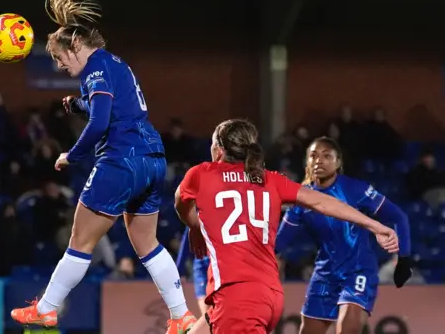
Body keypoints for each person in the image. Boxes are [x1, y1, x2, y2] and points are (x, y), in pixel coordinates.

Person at [10, 0, 196, 333]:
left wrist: (72, 155)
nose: (60, 65)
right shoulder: (114, 63)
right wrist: (79, 104)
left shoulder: (95, 67)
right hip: (152, 160)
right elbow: (118, 106)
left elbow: (99, 124)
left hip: (121, 159)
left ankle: (47, 309)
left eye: (60, 57)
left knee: (80, 240)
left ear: (76, 43)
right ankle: (180, 314)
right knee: (147, 242)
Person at [173, 119, 399, 334]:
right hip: (267, 295)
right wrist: (374, 225)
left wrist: (195, 228)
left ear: (219, 149)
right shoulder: (270, 180)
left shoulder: (201, 174)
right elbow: (322, 201)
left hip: (236, 296)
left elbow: (180, 204)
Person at [274, 136, 412, 334]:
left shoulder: (356, 190)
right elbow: (278, 244)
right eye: (313, 156)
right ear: (307, 162)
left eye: (326, 156)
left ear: (338, 163)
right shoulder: (301, 200)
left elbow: (399, 216)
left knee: (348, 329)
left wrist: (404, 259)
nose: (318, 161)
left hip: (358, 270)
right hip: (325, 273)